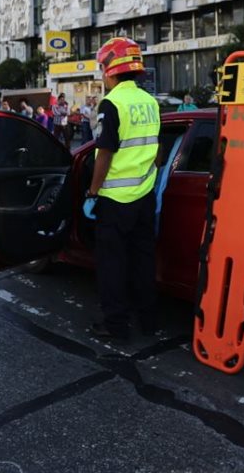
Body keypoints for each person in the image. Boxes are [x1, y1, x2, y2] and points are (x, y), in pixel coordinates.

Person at [83, 37, 160, 340]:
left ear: (112, 69)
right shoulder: (150, 102)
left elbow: (105, 152)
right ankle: (149, 321)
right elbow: (157, 149)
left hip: (115, 200)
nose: (102, 74)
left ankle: (116, 325)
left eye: (103, 67)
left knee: (112, 265)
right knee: (143, 261)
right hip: (145, 196)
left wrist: (92, 192)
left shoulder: (112, 103)